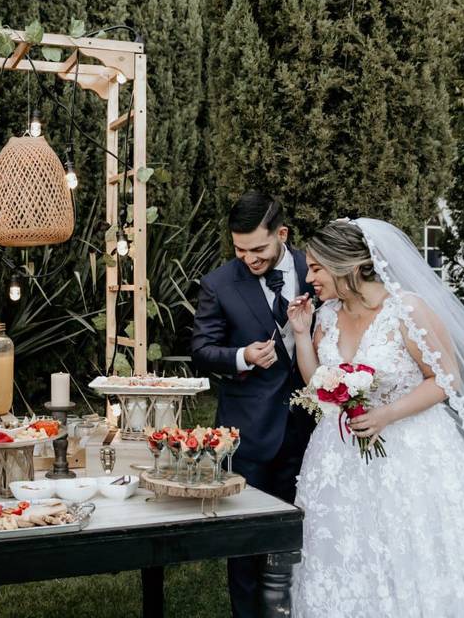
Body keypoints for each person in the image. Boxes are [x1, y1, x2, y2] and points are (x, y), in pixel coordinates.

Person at [287, 218, 464, 617]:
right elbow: (319, 385)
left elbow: (445, 380)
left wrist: (386, 415)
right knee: (348, 549)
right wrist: (302, 335)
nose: (309, 277)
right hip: (337, 457)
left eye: (317, 267)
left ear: (349, 265)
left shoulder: (406, 310)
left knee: (413, 545)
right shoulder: (325, 316)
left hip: (410, 452)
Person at [191, 192, 316, 618]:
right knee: (245, 541)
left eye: (259, 249)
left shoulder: (313, 271)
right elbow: (202, 349)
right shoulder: (218, 283)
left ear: (282, 234)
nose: (249, 258)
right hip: (247, 433)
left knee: (302, 534)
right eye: (240, 249)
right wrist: (241, 356)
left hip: (310, 430)